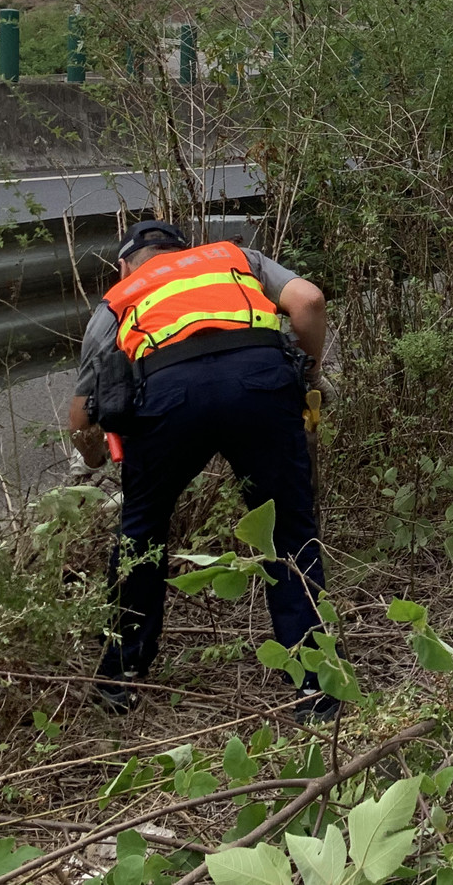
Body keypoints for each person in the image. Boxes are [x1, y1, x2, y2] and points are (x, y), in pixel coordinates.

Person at [67, 220, 332, 717]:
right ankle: (315, 689)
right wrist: (308, 375)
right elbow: (309, 302)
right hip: (260, 386)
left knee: (141, 531)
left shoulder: (122, 295)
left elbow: (82, 416)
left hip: (168, 401)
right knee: (289, 529)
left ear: (124, 264)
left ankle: (121, 674)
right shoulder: (234, 258)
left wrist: (94, 457)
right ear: (186, 252)